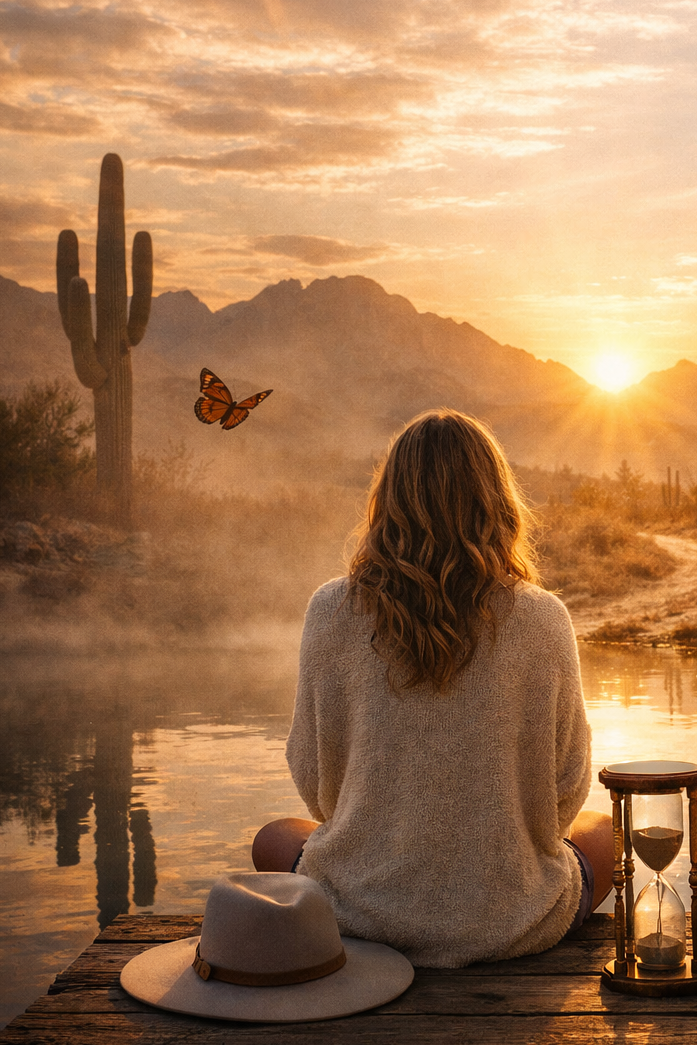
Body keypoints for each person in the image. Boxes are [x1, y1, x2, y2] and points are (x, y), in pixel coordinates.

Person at [252, 409, 613, 967]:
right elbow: (564, 790)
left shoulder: (331, 609)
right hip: (511, 920)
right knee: (608, 834)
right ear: (496, 501)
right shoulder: (544, 617)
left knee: (274, 838)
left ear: (387, 500)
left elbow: (316, 781)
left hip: (361, 918)